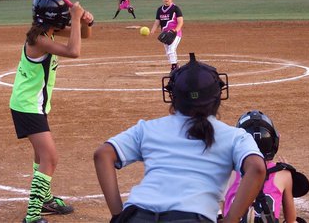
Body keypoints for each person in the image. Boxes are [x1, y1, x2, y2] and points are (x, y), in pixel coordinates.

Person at [94, 53, 266, 223]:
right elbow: (257, 168)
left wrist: (118, 216)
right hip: (192, 217)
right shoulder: (235, 136)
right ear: (218, 96)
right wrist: (231, 219)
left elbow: (103, 155)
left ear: (173, 97)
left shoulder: (148, 128)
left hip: (137, 214)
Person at [9, 0, 94, 223]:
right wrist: (76, 17)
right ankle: (32, 215)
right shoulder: (39, 40)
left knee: (41, 156)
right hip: (27, 107)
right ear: (54, 17)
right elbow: (74, 51)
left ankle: (45, 200)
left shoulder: (46, 30)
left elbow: (82, 36)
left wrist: (86, 21)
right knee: (50, 158)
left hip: (33, 105)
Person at [222, 110, 309, 223]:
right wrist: (285, 170)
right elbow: (291, 219)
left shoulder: (229, 173)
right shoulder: (284, 175)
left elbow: (222, 210)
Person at [150, 0, 184, 72]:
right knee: (168, 52)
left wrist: (175, 30)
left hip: (175, 33)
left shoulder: (175, 8)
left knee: (171, 50)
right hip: (165, 34)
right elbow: (157, 22)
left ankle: (174, 68)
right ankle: (176, 66)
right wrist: (152, 30)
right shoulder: (159, 9)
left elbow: (180, 22)